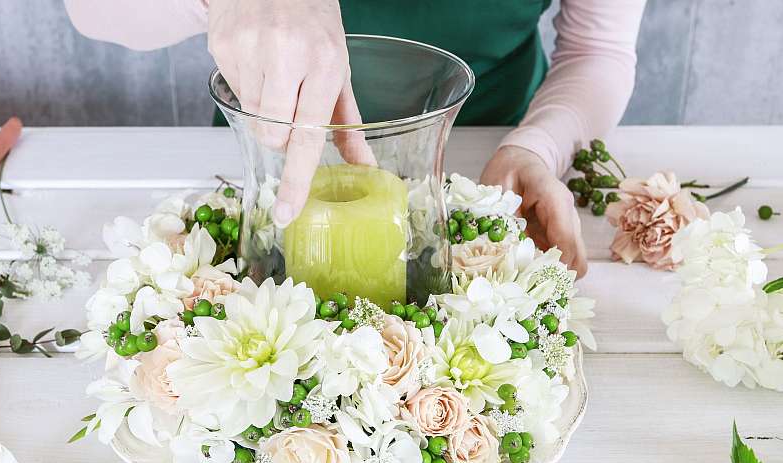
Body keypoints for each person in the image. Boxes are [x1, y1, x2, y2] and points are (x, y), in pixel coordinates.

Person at [66, 0, 646, 276]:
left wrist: (539, 145)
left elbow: (599, 50)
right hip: (273, 163)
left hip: (483, 160)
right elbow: (93, 11)